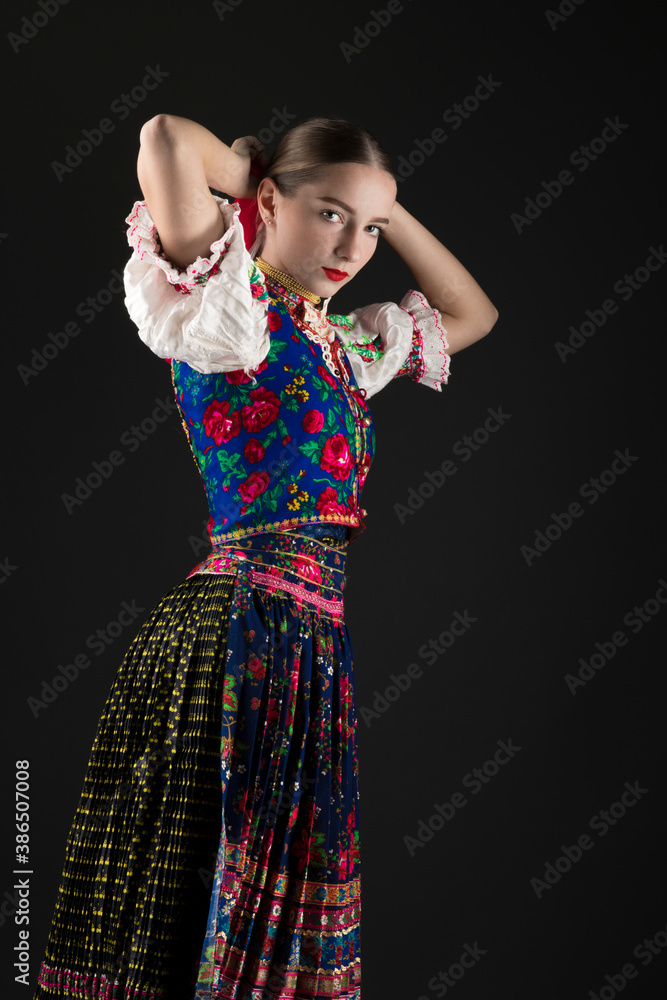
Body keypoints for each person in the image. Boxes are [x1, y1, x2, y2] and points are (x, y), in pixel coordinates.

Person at [33, 114, 498, 1000]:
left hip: (309, 647)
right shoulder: (229, 309)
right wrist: (252, 180)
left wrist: (380, 205)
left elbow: (472, 314)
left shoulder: (344, 347)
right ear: (273, 201)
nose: (353, 249)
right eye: (331, 215)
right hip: (234, 633)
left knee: (267, 919)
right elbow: (166, 139)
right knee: (196, 902)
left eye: (370, 230)